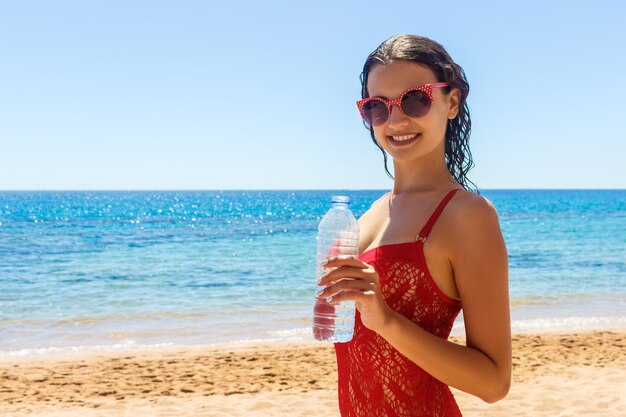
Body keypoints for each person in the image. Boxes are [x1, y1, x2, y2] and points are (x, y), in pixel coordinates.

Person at [316, 34, 511, 416]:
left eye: (415, 99)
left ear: (451, 102)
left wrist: (386, 320)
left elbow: (494, 383)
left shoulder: (467, 215)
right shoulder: (367, 217)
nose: (396, 119)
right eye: (377, 107)